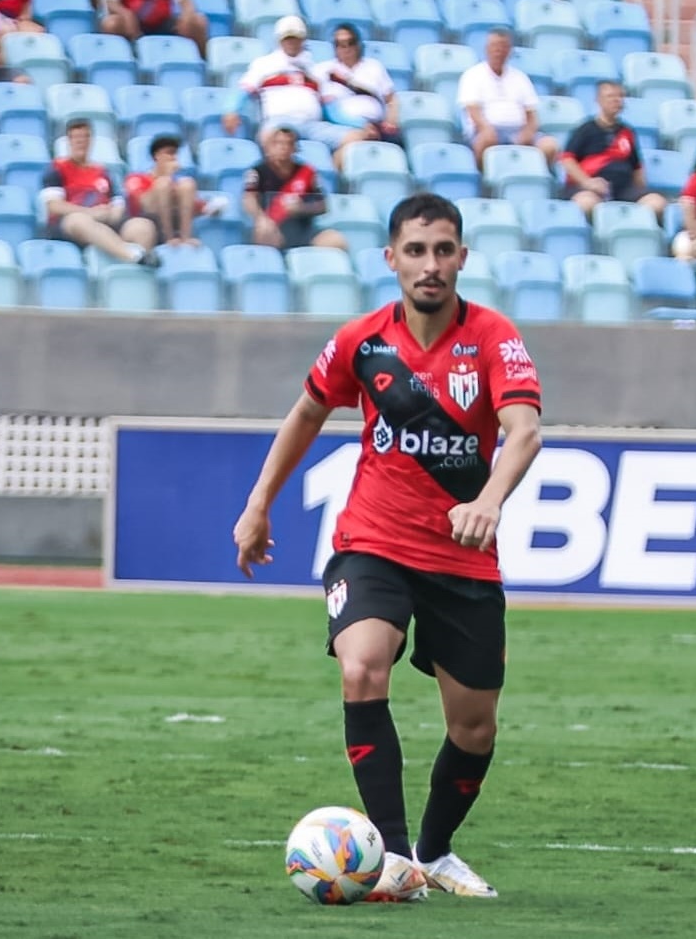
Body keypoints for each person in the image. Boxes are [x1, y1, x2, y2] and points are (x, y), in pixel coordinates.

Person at [233, 192, 544, 902]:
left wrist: (488, 501)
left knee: (473, 725)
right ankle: (393, 858)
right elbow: (308, 411)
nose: (429, 265)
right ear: (391, 259)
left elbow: (523, 430)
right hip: (372, 540)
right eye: (415, 251)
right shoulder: (361, 341)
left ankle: (434, 850)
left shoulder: (494, 338)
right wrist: (258, 504)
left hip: (463, 556)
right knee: (363, 667)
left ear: (461, 257)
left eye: (442, 251)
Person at [224, 15, 368, 156]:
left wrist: (362, 124)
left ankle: (332, 173)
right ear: (280, 40)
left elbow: (331, 109)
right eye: (288, 38)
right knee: (271, 138)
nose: (292, 42)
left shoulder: (315, 70)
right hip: (280, 122)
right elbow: (243, 90)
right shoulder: (264, 64)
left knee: (357, 138)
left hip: (312, 125)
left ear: (303, 39)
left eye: (296, 38)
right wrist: (231, 110)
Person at [39, 117, 159, 266]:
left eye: (84, 137)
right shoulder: (56, 169)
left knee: (142, 226)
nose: (80, 141)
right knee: (78, 220)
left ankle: (137, 272)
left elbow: (118, 202)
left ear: (91, 140)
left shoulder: (102, 171)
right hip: (71, 226)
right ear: (68, 141)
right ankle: (132, 256)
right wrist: (89, 212)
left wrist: (113, 212)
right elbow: (54, 206)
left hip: (106, 222)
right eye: (76, 137)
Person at [560, 80, 666, 224]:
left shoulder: (628, 132)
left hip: (623, 189)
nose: (617, 100)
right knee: (586, 204)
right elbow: (567, 160)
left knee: (656, 203)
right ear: (598, 100)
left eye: (620, 96)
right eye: (610, 96)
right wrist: (587, 182)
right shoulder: (585, 129)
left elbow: (637, 168)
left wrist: (640, 189)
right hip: (591, 190)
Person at [457, 28, 557, 165]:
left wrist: (527, 133)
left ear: (510, 50)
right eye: (495, 46)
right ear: (487, 49)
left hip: (517, 129)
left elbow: (532, 115)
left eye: (503, 46)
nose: (499, 51)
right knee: (487, 140)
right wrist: (487, 129)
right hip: (487, 130)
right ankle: (486, 182)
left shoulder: (520, 77)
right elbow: (473, 111)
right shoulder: (472, 75)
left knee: (549, 145)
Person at [243, 125, 349, 252]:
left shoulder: (306, 172)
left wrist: (301, 208)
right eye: (278, 143)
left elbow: (322, 205)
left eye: (288, 144)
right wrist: (261, 219)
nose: (283, 147)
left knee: (335, 241)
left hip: (303, 230)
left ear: (295, 148)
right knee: (263, 234)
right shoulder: (259, 171)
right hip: (273, 227)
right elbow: (249, 199)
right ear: (268, 148)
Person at [313, 23, 399, 160]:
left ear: (358, 44)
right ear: (335, 48)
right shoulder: (323, 70)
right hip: (341, 126)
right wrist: (361, 125)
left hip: (377, 126)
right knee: (355, 141)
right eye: (340, 44)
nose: (346, 48)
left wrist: (390, 122)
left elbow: (391, 99)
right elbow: (323, 106)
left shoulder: (374, 66)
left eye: (350, 42)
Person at [123, 133, 207, 248]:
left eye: (175, 153)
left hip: (175, 220)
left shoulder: (178, 184)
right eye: (169, 153)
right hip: (145, 221)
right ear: (156, 156)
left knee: (187, 184)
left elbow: (199, 206)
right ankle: (168, 237)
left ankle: (185, 237)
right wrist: (166, 177)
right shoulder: (137, 178)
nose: (174, 158)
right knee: (163, 184)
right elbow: (139, 204)